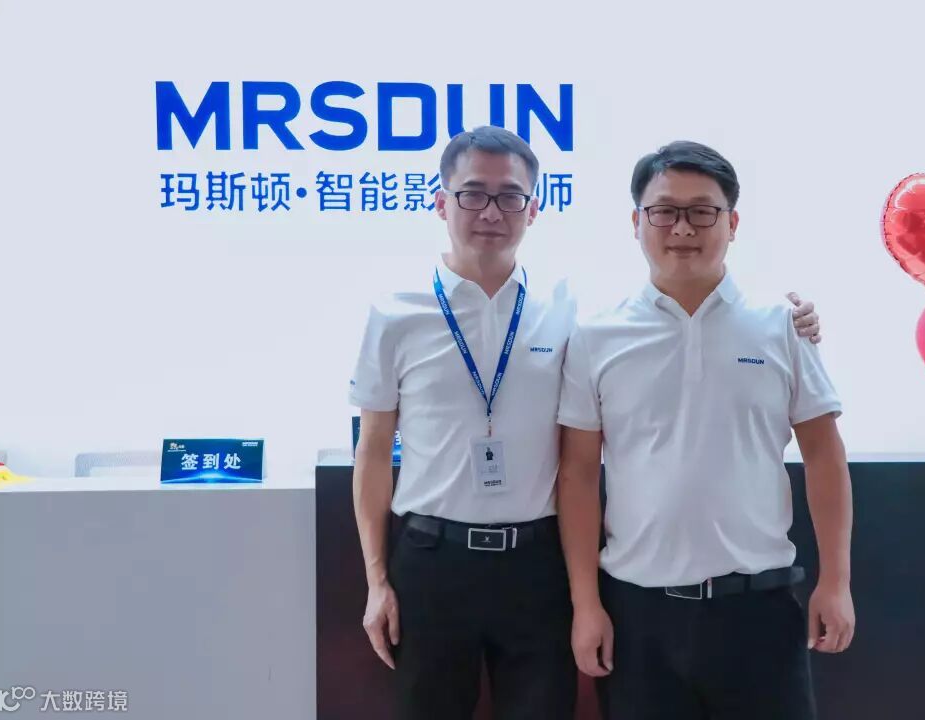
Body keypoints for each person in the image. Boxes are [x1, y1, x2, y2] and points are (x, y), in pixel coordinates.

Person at [349, 127, 823, 719]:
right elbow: (373, 452)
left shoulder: (568, 310)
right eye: (473, 194)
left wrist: (797, 320)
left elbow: (665, 313)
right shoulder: (395, 314)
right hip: (430, 558)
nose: (491, 211)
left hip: (537, 563)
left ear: (533, 208)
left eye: (510, 196)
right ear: (442, 202)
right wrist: (376, 580)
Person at [556, 141, 854, 720]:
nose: (682, 228)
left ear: (732, 224)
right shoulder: (597, 335)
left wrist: (836, 582)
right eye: (664, 211)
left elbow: (824, 455)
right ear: (636, 222)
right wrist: (586, 604)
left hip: (759, 610)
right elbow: (578, 476)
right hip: (638, 616)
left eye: (702, 211)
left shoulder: (781, 325)